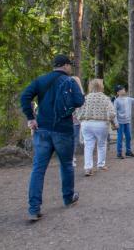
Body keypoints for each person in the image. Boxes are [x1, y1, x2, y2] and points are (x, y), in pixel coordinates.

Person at [20, 54, 85, 222]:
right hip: (63, 130)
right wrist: (68, 107)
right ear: (64, 66)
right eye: (69, 65)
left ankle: (34, 208)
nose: (70, 68)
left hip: (42, 130)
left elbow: (25, 97)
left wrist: (31, 118)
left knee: (38, 169)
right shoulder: (70, 81)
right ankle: (68, 197)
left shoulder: (41, 80)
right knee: (66, 165)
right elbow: (79, 101)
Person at [75, 79, 117, 176]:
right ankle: (101, 164)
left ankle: (88, 168)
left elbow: (76, 111)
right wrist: (109, 119)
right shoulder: (105, 98)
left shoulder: (85, 98)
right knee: (101, 144)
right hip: (101, 124)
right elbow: (112, 113)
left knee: (88, 146)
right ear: (101, 86)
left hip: (86, 123)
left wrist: (81, 119)